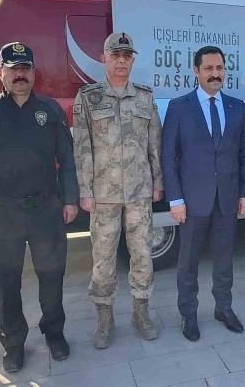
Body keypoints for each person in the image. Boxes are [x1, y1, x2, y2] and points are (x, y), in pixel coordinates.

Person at [0, 42, 78, 373]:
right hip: (2, 211)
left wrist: (70, 199)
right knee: (6, 281)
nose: (19, 74)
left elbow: (67, 159)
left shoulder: (51, 110)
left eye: (25, 68)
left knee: (52, 275)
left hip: (46, 209)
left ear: (34, 73)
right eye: (13, 69)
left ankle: (54, 332)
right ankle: (13, 343)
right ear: (1, 73)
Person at [73, 32, 163, 349]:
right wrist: (85, 190)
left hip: (139, 191)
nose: (121, 60)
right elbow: (82, 147)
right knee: (103, 258)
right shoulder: (89, 97)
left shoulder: (145, 97)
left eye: (126, 55)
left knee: (143, 255)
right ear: (104, 58)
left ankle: (141, 313)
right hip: (103, 194)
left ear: (133, 60)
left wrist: (158, 182)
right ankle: (104, 319)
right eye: (115, 55)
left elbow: (155, 144)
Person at [161, 45, 245, 341]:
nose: (215, 74)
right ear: (196, 71)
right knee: (188, 262)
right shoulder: (179, 107)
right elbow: (168, 156)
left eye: (220, 68)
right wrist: (175, 199)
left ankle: (223, 308)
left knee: (224, 260)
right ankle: (189, 314)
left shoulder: (237, 107)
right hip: (192, 201)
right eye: (209, 68)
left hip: (227, 199)